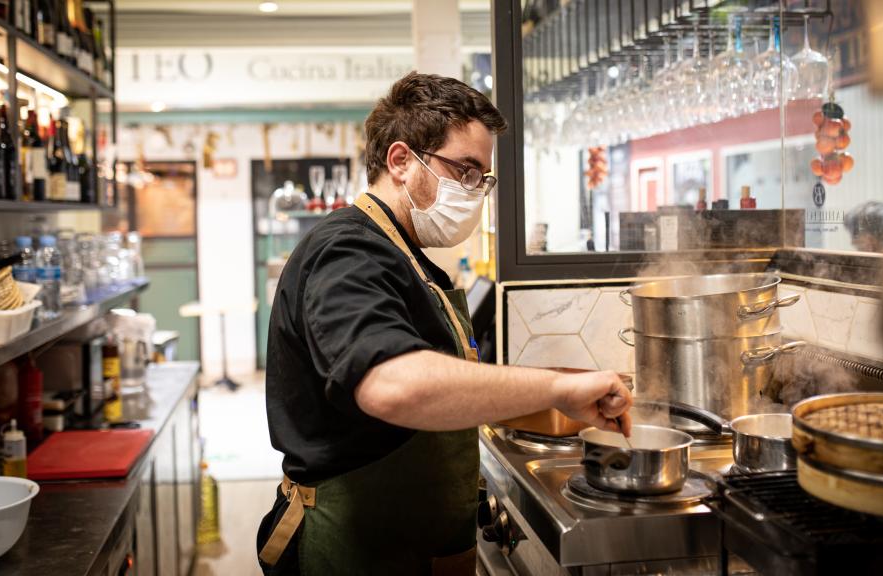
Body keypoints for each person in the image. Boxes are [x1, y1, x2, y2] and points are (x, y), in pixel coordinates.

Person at [257, 72, 633, 576]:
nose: (476, 191)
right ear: (400, 161)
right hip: (351, 548)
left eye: (483, 178)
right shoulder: (348, 252)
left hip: (406, 542)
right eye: (466, 170)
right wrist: (555, 388)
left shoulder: (406, 255)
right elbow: (392, 384)